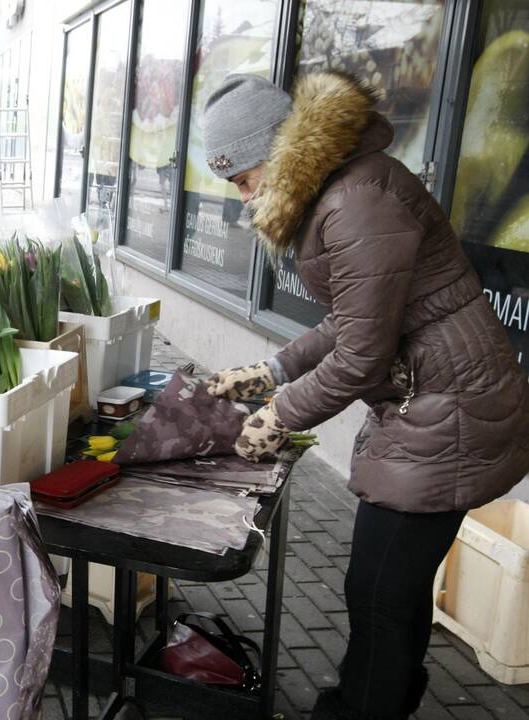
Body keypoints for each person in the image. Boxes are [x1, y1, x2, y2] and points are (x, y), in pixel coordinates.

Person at [201, 72, 529, 719]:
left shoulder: (352, 201)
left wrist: (278, 413)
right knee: (391, 590)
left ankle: (364, 707)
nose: (244, 197)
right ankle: (379, 698)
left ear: (279, 148)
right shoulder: (344, 187)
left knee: (378, 593)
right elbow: (351, 321)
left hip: (449, 409)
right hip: (433, 401)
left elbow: (359, 354)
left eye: (243, 178)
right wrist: (272, 369)